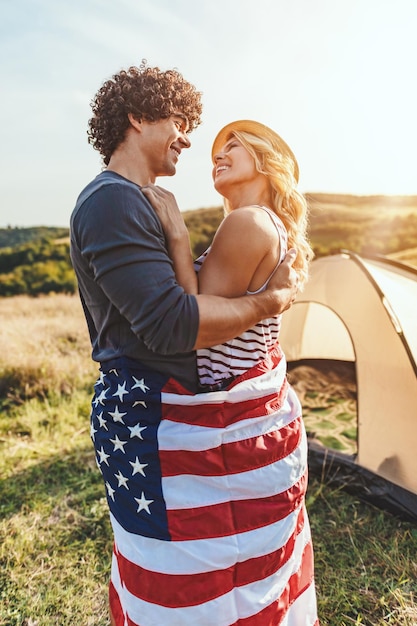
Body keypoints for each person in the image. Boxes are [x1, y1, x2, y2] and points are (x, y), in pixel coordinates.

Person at [70, 63, 302, 626]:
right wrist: (270, 303)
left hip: (188, 422)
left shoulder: (156, 203)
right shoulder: (113, 201)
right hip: (153, 417)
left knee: (214, 573)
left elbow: (187, 312)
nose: (192, 140)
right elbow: (176, 324)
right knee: (184, 575)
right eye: (179, 121)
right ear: (136, 117)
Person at [142, 120, 319, 624]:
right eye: (216, 151)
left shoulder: (248, 223)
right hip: (257, 417)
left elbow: (193, 321)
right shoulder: (268, 225)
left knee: (216, 579)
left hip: (226, 426)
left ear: (267, 161)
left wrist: (176, 232)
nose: (217, 155)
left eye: (233, 147)